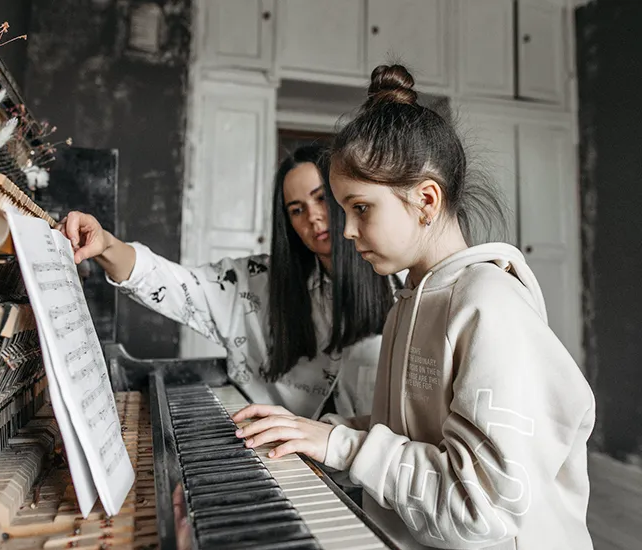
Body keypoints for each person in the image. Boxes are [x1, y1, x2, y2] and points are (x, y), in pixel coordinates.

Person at [232, 65, 595, 550]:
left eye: (360, 208)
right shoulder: (407, 301)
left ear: (426, 199)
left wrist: (340, 445)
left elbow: (479, 509)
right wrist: (314, 431)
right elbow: (412, 436)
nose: (345, 232)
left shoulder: (491, 307)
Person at [58, 145, 397, 419]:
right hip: (288, 463)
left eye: (321, 197)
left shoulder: (400, 286)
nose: (313, 216)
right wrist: (105, 244)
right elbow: (176, 283)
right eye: (296, 209)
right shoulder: (256, 282)